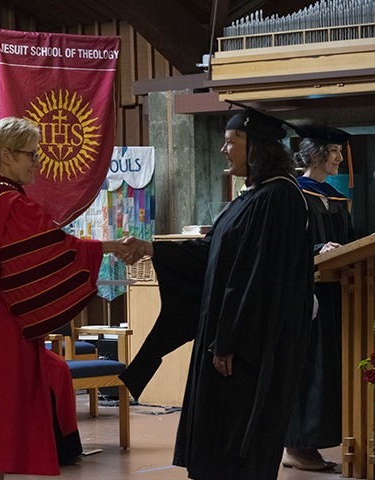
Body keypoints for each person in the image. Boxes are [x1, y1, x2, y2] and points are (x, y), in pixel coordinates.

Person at [0, 117, 138, 479]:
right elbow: (57, 250)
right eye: (30, 154)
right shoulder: (9, 204)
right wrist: (112, 246)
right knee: (3, 408)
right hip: (5, 323)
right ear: (5, 155)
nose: (37, 161)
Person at [119, 108, 315, 479]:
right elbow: (211, 255)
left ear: (256, 146)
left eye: (231, 141)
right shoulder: (251, 197)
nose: (224, 149)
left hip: (247, 349)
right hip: (226, 343)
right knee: (215, 445)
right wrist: (151, 249)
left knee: (238, 447)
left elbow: (255, 279)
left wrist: (228, 340)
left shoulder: (279, 199)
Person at [283, 125, 356, 470]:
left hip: (333, 295)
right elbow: (283, 244)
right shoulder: (292, 194)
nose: (341, 158)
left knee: (327, 369)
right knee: (308, 367)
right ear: (317, 154)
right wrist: (316, 249)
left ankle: (313, 442)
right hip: (304, 295)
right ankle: (297, 444)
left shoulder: (336, 198)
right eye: (336, 152)